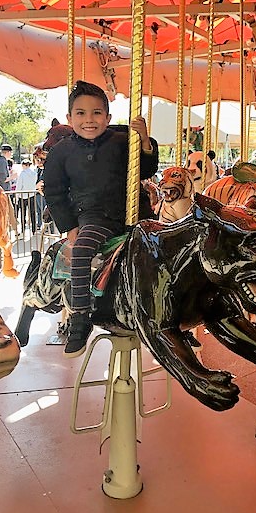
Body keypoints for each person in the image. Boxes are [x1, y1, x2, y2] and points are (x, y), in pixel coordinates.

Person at [43, 80, 159, 358]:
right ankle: (80, 317)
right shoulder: (61, 152)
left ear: (108, 117)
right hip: (95, 217)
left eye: (97, 113)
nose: (89, 120)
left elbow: (146, 170)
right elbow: (54, 191)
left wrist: (144, 141)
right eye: (81, 113)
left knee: (167, 248)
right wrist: (69, 226)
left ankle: (169, 311)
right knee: (82, 251)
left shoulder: (122, 140)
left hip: (136, 214)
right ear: (70, 118)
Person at [16, 159, 37, 234]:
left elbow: (19, 185)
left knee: (23, 213)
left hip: (23, 195)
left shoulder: (22, 173)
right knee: (32, 213)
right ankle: (34, 229)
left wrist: (17, 196)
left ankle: (23, 229)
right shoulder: (34, 173)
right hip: (32, 194)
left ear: (24, 165)